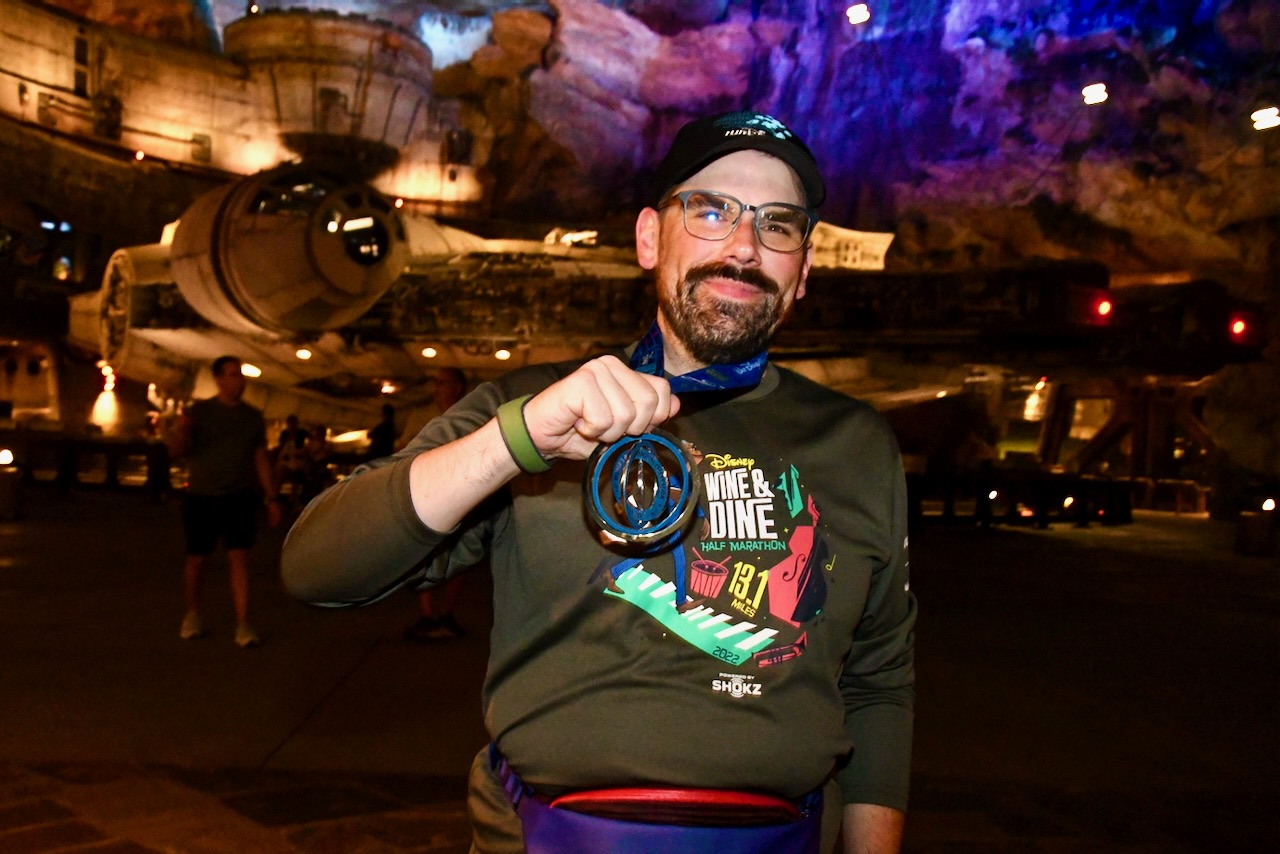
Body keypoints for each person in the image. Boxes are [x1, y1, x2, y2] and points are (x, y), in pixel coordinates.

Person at [282, 110, 915, 853]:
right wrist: (515, 441)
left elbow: (879, 683)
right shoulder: (533, 407)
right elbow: (318, 567)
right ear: (649, 238)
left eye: (778, 225)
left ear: (802, 270)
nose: (744, 246)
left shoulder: (857, 444)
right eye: (711, 210)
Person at [168, 355, 281, 648]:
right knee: (197, 559)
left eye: (240, 375)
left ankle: (243, 622)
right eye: (232, 375)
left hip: (238, 496)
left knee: (239, 558)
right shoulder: (200, 412)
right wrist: (181, 429)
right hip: (202, 496)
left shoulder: (252, 417)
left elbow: (260, 458)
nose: (238, 381)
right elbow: (176, 451)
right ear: (218, 379)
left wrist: (271, 497)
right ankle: (192, 613)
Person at [400, 368, 471, 642]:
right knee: (423, 555)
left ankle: (447, 614)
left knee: (461, 554)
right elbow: (404, 450)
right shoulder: (421, 416)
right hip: (426, 493)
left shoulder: (470, 414)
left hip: (463, 494)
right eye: (436, 383)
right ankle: (427, 615)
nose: (437, 388)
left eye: (442, 383)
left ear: (457, 387)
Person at [275, 414, 309, 507]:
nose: (291, 425)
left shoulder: (302, 433)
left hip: (298, 460)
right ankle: (276, 495)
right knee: (280, 471)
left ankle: (293, 498)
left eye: (293, 423)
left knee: (296, 471)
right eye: (290, 423)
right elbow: (282, 447)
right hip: (287, 460)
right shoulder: (284, 434)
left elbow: (308, 445)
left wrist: (300, 452)